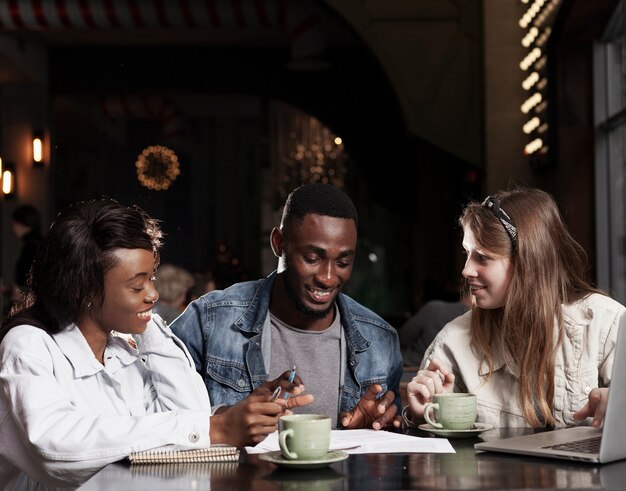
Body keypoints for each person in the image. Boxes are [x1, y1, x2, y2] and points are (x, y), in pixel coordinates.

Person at [0, 199, 308, 488]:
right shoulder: (28, 345)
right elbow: (56, 449)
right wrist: (216, 428)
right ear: (84, 291)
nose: (153, 294)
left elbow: (188, 414)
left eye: (152, 279)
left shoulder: (123, 348)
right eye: (137, 285)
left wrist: (146, 327)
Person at [171, 183, 403, 430]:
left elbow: (392, 435)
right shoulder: (208, 320)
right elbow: (152, 419)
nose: (327, 277)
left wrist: (372, 430)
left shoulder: (381, 340)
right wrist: (227, 419)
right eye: (312, 259)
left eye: (343, 262)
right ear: (279, 242)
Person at [406, 187, 625, 429]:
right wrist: (421, 418)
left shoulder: (607, 323)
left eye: (483, 257)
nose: (466, 270)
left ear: (528, 263)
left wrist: (619, 409)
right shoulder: (453, 341)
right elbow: (433, 455)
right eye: (468, 253)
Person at [399, 289, 470, 366]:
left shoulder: (433, 308)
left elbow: (404, 337)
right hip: (448, 371)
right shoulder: (476, 320)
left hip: (413, 366)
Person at [1, 205, 44, 312]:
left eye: (13, 224)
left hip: (30, 300)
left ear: (20, 223)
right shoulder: (40, 242)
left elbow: (26, 276)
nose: (13, 228)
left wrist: (13, 291)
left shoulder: (32, 245)